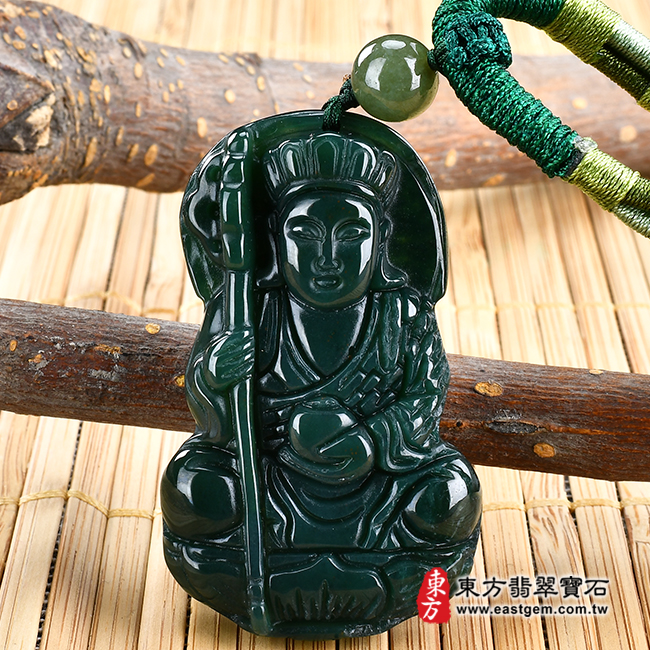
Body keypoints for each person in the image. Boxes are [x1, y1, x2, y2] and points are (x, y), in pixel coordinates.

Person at [161, 114, 481, 638]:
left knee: (449, 491)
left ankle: (297, 580)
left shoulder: (403, 314)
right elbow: (215, 423)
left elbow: (425, 397)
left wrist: (373, 441)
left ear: (382, 238)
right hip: (271, 485)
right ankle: (371, 581)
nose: (327, 258)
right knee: (195, 484)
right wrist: (216, 377)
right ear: (274, 236)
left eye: (351, 234)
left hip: (379, 488)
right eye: (304, 234)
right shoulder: (248, 310)